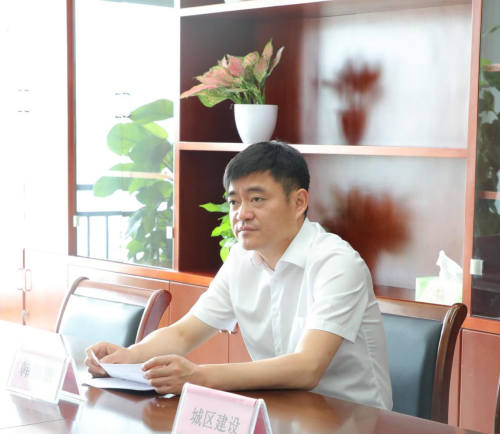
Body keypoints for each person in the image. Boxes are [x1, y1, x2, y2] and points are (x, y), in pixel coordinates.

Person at [85, 140, 393, 410]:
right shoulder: (240, 259)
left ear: (299, 202)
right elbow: (183, 334)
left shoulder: (337, 263)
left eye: (257, 199)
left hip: (356, 423)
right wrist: (127, 357)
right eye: (234, 201)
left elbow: (307, 367)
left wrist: (198, 376)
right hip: (282, 411)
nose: (241, 214)